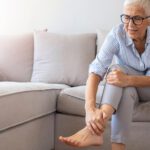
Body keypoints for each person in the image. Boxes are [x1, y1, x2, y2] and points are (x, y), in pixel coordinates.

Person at [59, 0, 150, 149]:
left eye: (137, 18)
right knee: (121, 82)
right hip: (131, 90)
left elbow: (125, 79)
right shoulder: (117, 34)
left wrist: (129, 79)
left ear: (148, 20)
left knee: (119, 71)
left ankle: (93, 130)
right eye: (126, 17)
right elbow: (96, 71)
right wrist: (89, 110)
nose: (130, 24)